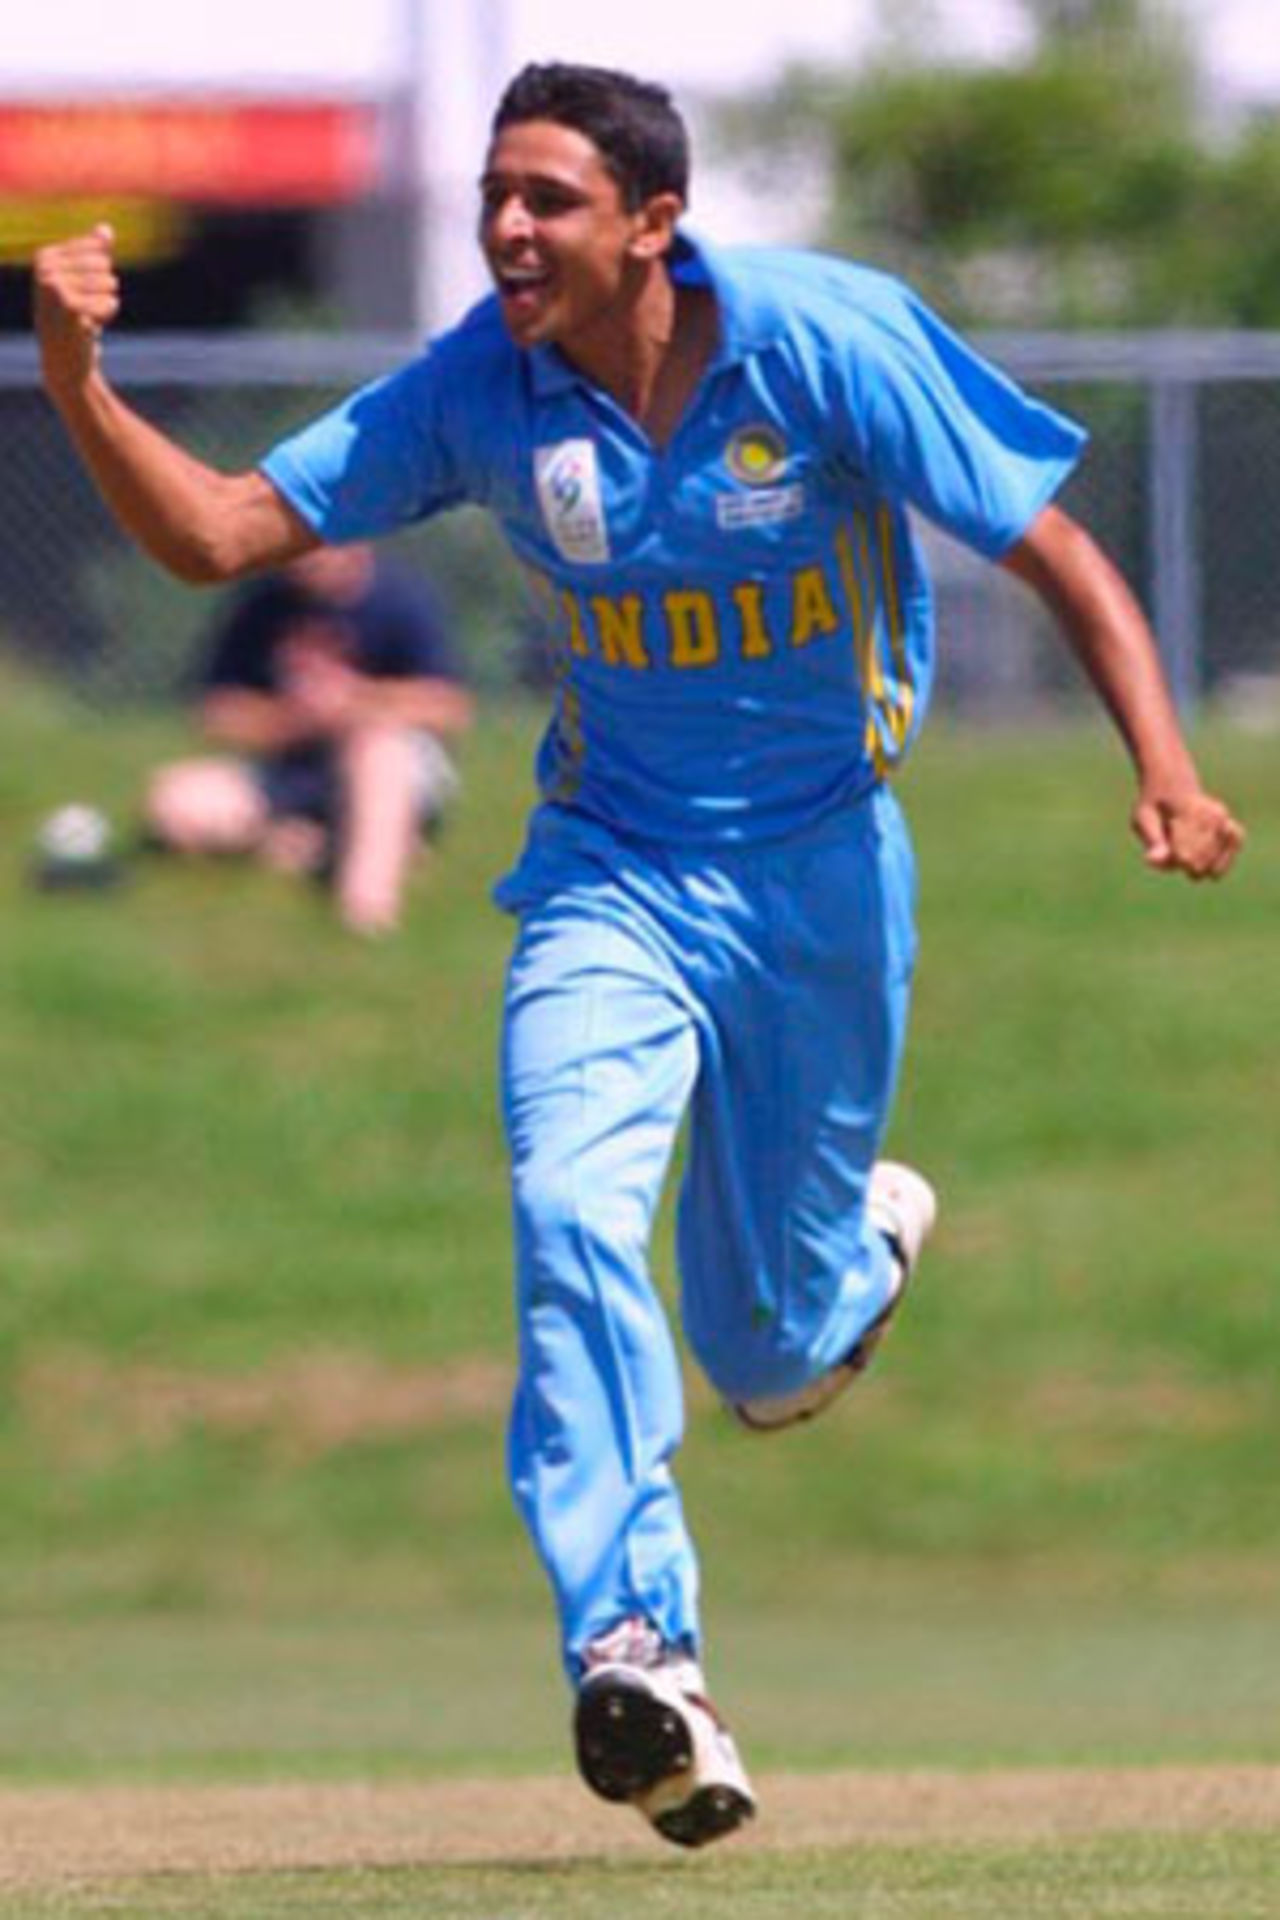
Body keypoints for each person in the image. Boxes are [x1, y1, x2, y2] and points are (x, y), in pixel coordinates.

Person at [33, 61, 1244, 1848]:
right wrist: (73, 377)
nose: (507, 229)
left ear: (653, 225)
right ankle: (639, 1648)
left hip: (828, 872)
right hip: (610, 873)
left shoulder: (824, 342)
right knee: (572, 1214)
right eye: (494, 198)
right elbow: (215, 534)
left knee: (764, 1353)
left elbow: (1048, 541)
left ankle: (852, 1259)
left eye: (549, 201)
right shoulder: (481, 388)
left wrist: (1164, 758)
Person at [143, 541, 472, 936]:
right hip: (291, 766)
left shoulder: (400, 597)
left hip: (393, 768)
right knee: (176, 800)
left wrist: (354, 702)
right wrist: (295, 718)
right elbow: (216, 714)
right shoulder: (261, 605)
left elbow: (449, 708)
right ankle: (316, 847)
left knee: (376, 749)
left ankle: (366, 908)